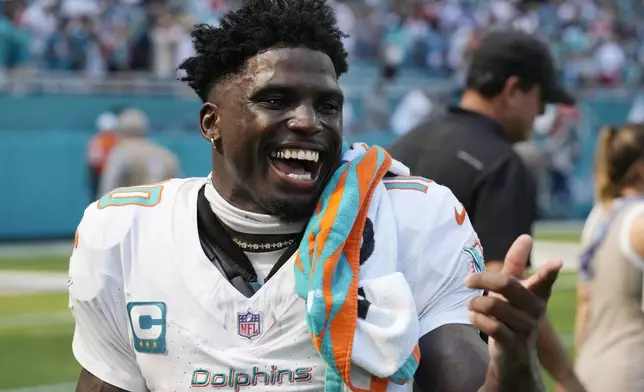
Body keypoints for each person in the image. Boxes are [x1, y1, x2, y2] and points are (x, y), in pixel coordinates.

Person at [68, 2, 562, 391]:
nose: (309, 121)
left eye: (327, 104)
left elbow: (470, 381)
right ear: (211, 123)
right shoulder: (126, 234)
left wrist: (515, 364)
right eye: (276, 100)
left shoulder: (414, 218)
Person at [389, 30, 585, 391]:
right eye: (541, 99)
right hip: (458, 368)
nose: (541, 113)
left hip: (384, 359)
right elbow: (504, 296)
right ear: (513, 90)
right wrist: (568, 378)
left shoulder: (404, 143)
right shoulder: (503, 165)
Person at [574, 124, 644, 392]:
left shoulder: (599, 216)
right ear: (639, 169)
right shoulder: (639, 220)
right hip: (632, 373)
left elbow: (585, 304)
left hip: (592, 370)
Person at [98, 108, 181, 197]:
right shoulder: (165, 154)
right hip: (162, 208)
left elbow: (108, 189)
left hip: (130, 208)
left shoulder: (121, 152)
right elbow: (179, 190)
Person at [86, 111, 119, 200]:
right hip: (103, 177)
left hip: (107, 177)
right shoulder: (115, 140)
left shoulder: (99, 140)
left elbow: (94, 161)